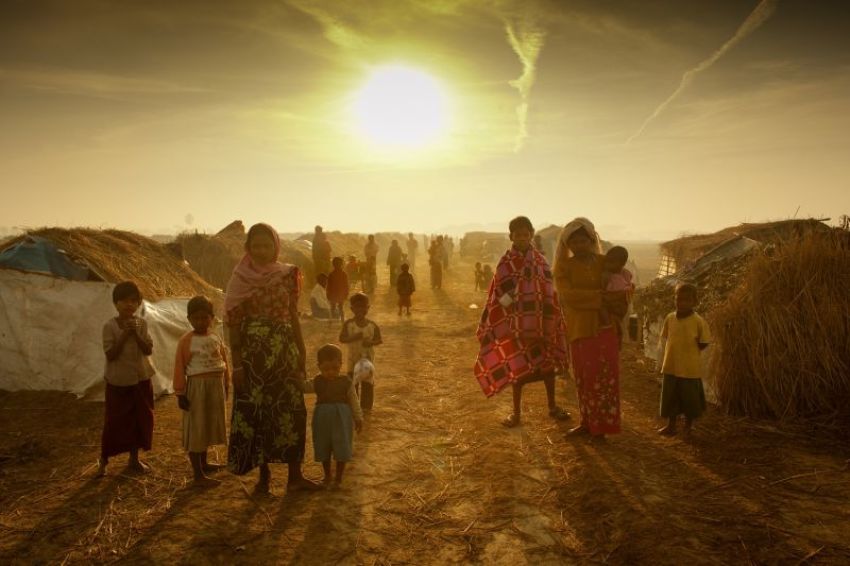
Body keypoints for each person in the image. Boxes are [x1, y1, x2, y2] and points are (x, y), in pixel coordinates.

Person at [224, 223, 319, 493]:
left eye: (267, 245)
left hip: (285, 352)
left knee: (292, 409)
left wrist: (301, 351)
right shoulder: (239, 279)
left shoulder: (287, 274)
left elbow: (293, 315)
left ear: (276, 247)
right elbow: (234, 323)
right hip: (253, 358)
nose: (261, 251)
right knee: (257, 413)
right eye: (256, 246)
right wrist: (237, 364)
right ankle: (263, 477)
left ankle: (294, 476)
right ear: (248, 248)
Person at [474, 216, 570, 427]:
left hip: (540, 324)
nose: (522, 238)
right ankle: (516, 413)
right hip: (515, 326)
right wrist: (516, 299)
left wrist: (548, 315)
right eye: (518, 235)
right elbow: (499, 294)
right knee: (517, 372)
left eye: (526, 234)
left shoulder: (540, 260)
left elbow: (549, 290)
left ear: (531, 235)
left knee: (547, 369)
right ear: (511, 237)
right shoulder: (505, 263)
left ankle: (552, 407)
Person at [554, 218, 629, 439]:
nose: (579, 245)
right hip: (580, 329)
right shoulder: (563, 267)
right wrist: (600, 297)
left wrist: (605, 300)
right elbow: (568, 296)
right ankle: (587, 422)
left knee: (606, 378)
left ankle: (602, 427)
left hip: (606, 328)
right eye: (574, 242)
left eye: (583, 240)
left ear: (591, 240)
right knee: (585, 378)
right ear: (568, 245)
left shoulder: (605, 262)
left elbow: (622, 288)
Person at [97, 281, 155, 477]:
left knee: (139, 420)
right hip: (118, 381)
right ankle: (103, 461)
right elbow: (111, 354)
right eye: (123, 301)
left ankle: (134, 459)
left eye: (133, 301)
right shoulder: (109, 326)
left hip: (140, 378)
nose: (129, 305)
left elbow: (148, 349)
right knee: (114, 422)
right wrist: (125, 334)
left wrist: (136, 333)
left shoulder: (142, 324)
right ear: (116, 304)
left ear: (138, 303)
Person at [173, 296, 229, 486]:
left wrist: (227, 384)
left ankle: (204, 464)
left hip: (215, 387)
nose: (201, 322)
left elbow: (224, 362)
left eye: (205, 318)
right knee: (197, 427)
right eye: (196, 318)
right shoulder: (186, 341)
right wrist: (180, 393)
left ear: (211, 318)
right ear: (189, 319)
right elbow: (179, 366)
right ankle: (198, 475)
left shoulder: (215, 337)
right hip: (197, 388)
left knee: (207, 425)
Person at [302, 344, 363, 488]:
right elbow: (304, 387)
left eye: (335, 368)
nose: (331, 372)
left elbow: (354, 400)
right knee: (323, 446)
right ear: (319, 366)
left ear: (341, 364)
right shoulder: (317, 381)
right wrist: (297, 379)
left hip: (342, 420)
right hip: (322, 420)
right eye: (326, 369)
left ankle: (338, 479)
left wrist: (358, 417)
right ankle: (327, 476)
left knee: (342, 446)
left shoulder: (346, 382)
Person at [657, 283, 712, 438]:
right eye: (679, 299)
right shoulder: (670, 318)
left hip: (689, 369)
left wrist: (690, 352)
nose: (682, 303)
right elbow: (665, 337)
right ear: (674, 299)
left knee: (689, 399)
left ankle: (688, 427)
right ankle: (671, 425)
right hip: (671, 366)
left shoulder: (698, 321)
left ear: (695, 302)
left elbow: (704, 342)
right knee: (671, 397)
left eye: (687, 300)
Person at [339, 293, 382, 412]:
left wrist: (371, 342)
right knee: (352, 385)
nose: (360, 310)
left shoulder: (372, 326)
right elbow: (342, 339)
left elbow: (379, 340)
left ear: (368, 308)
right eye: (357, 307)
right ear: (352, 308)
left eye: (363, 307)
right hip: (352, 361)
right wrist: (353, 337)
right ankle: (354, 407)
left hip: (367, 360)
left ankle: (366, 409)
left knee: (368, 384)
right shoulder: (348, 324)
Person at [601, 246, 634, 347]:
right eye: (607, 262)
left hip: (618, 303)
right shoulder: (607, 274)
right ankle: (614, 336)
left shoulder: (620, 274)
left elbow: (629, 285)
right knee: (615, 323)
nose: (607, 265)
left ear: (622, 264)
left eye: (611, 262)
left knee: (611, 319)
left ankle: (613, 335)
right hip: (613, 301)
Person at [326, 256, 350, 321]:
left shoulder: (331, 274)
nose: (338, 265)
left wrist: (328, 294)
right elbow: (346, 285)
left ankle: (331, 322)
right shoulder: (343, 274)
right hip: (339, 294)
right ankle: (341, 321)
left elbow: (328, 286)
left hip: (334, 294)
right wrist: (346, 294)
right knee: (339, 308)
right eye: (337, 264)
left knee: (333, 308)